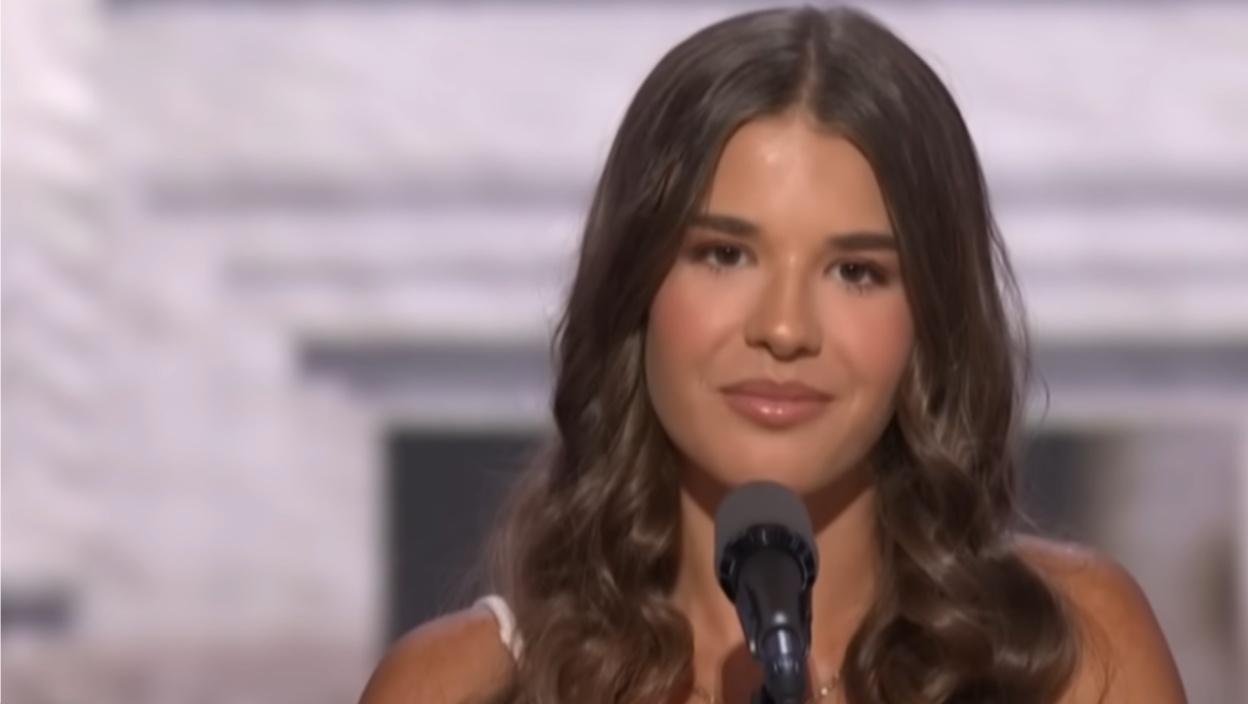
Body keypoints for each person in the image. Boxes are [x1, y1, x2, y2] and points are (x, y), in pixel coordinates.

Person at [359, 6, 1185, 703]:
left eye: (856, 272)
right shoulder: (457, 686)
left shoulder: (1070, 651)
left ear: (930, 320)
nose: (785, 330)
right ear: (636, 285)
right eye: (724, 255)